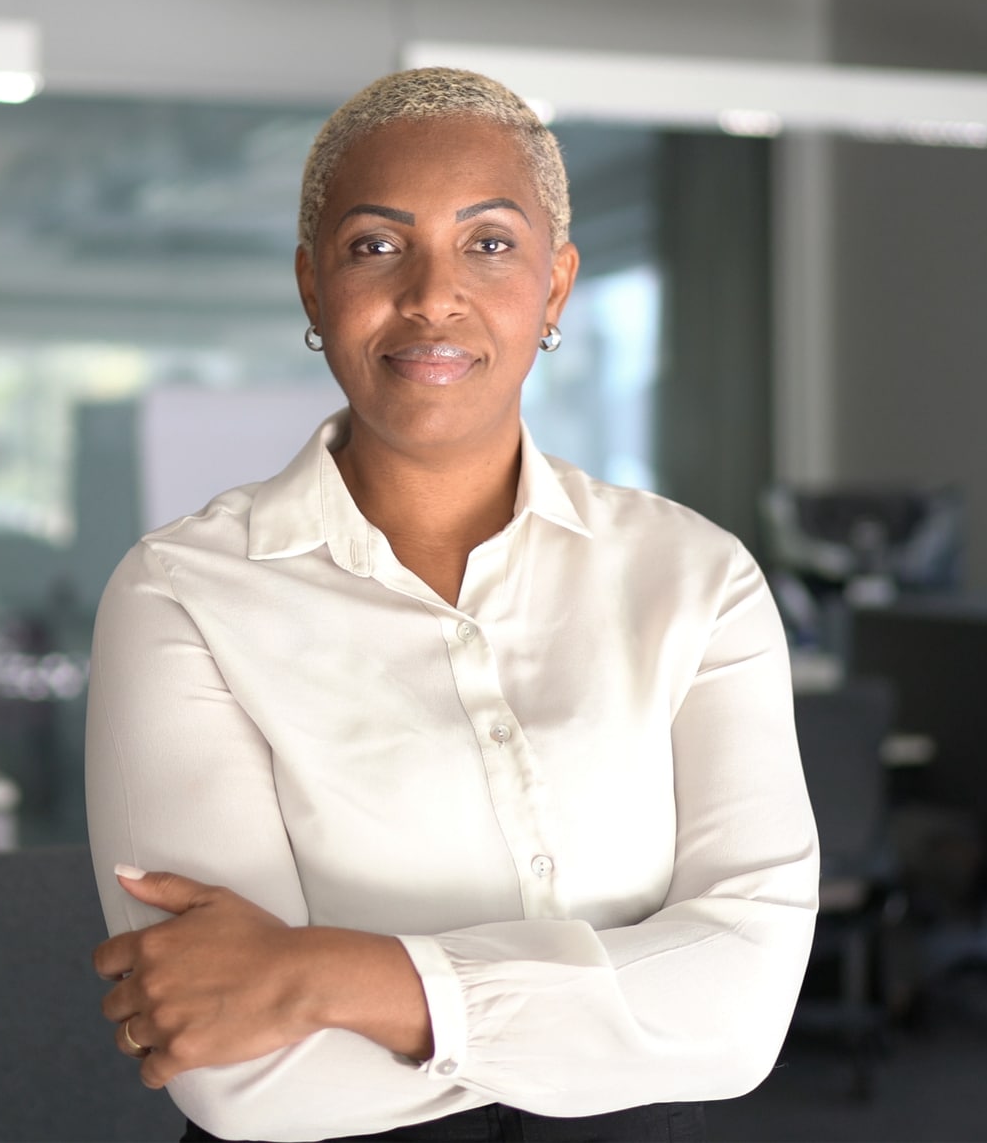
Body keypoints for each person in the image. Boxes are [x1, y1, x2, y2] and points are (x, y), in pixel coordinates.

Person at [86, 68, 817, 1143]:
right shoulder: (182, 594)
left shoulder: (694, 579)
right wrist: (619, 1027)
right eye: (375, 247)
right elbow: (242, 1078)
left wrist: (324, 975)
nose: (432, 295)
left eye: (487, 244)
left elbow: (744, 1006)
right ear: (310, 287)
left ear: (555, 288)